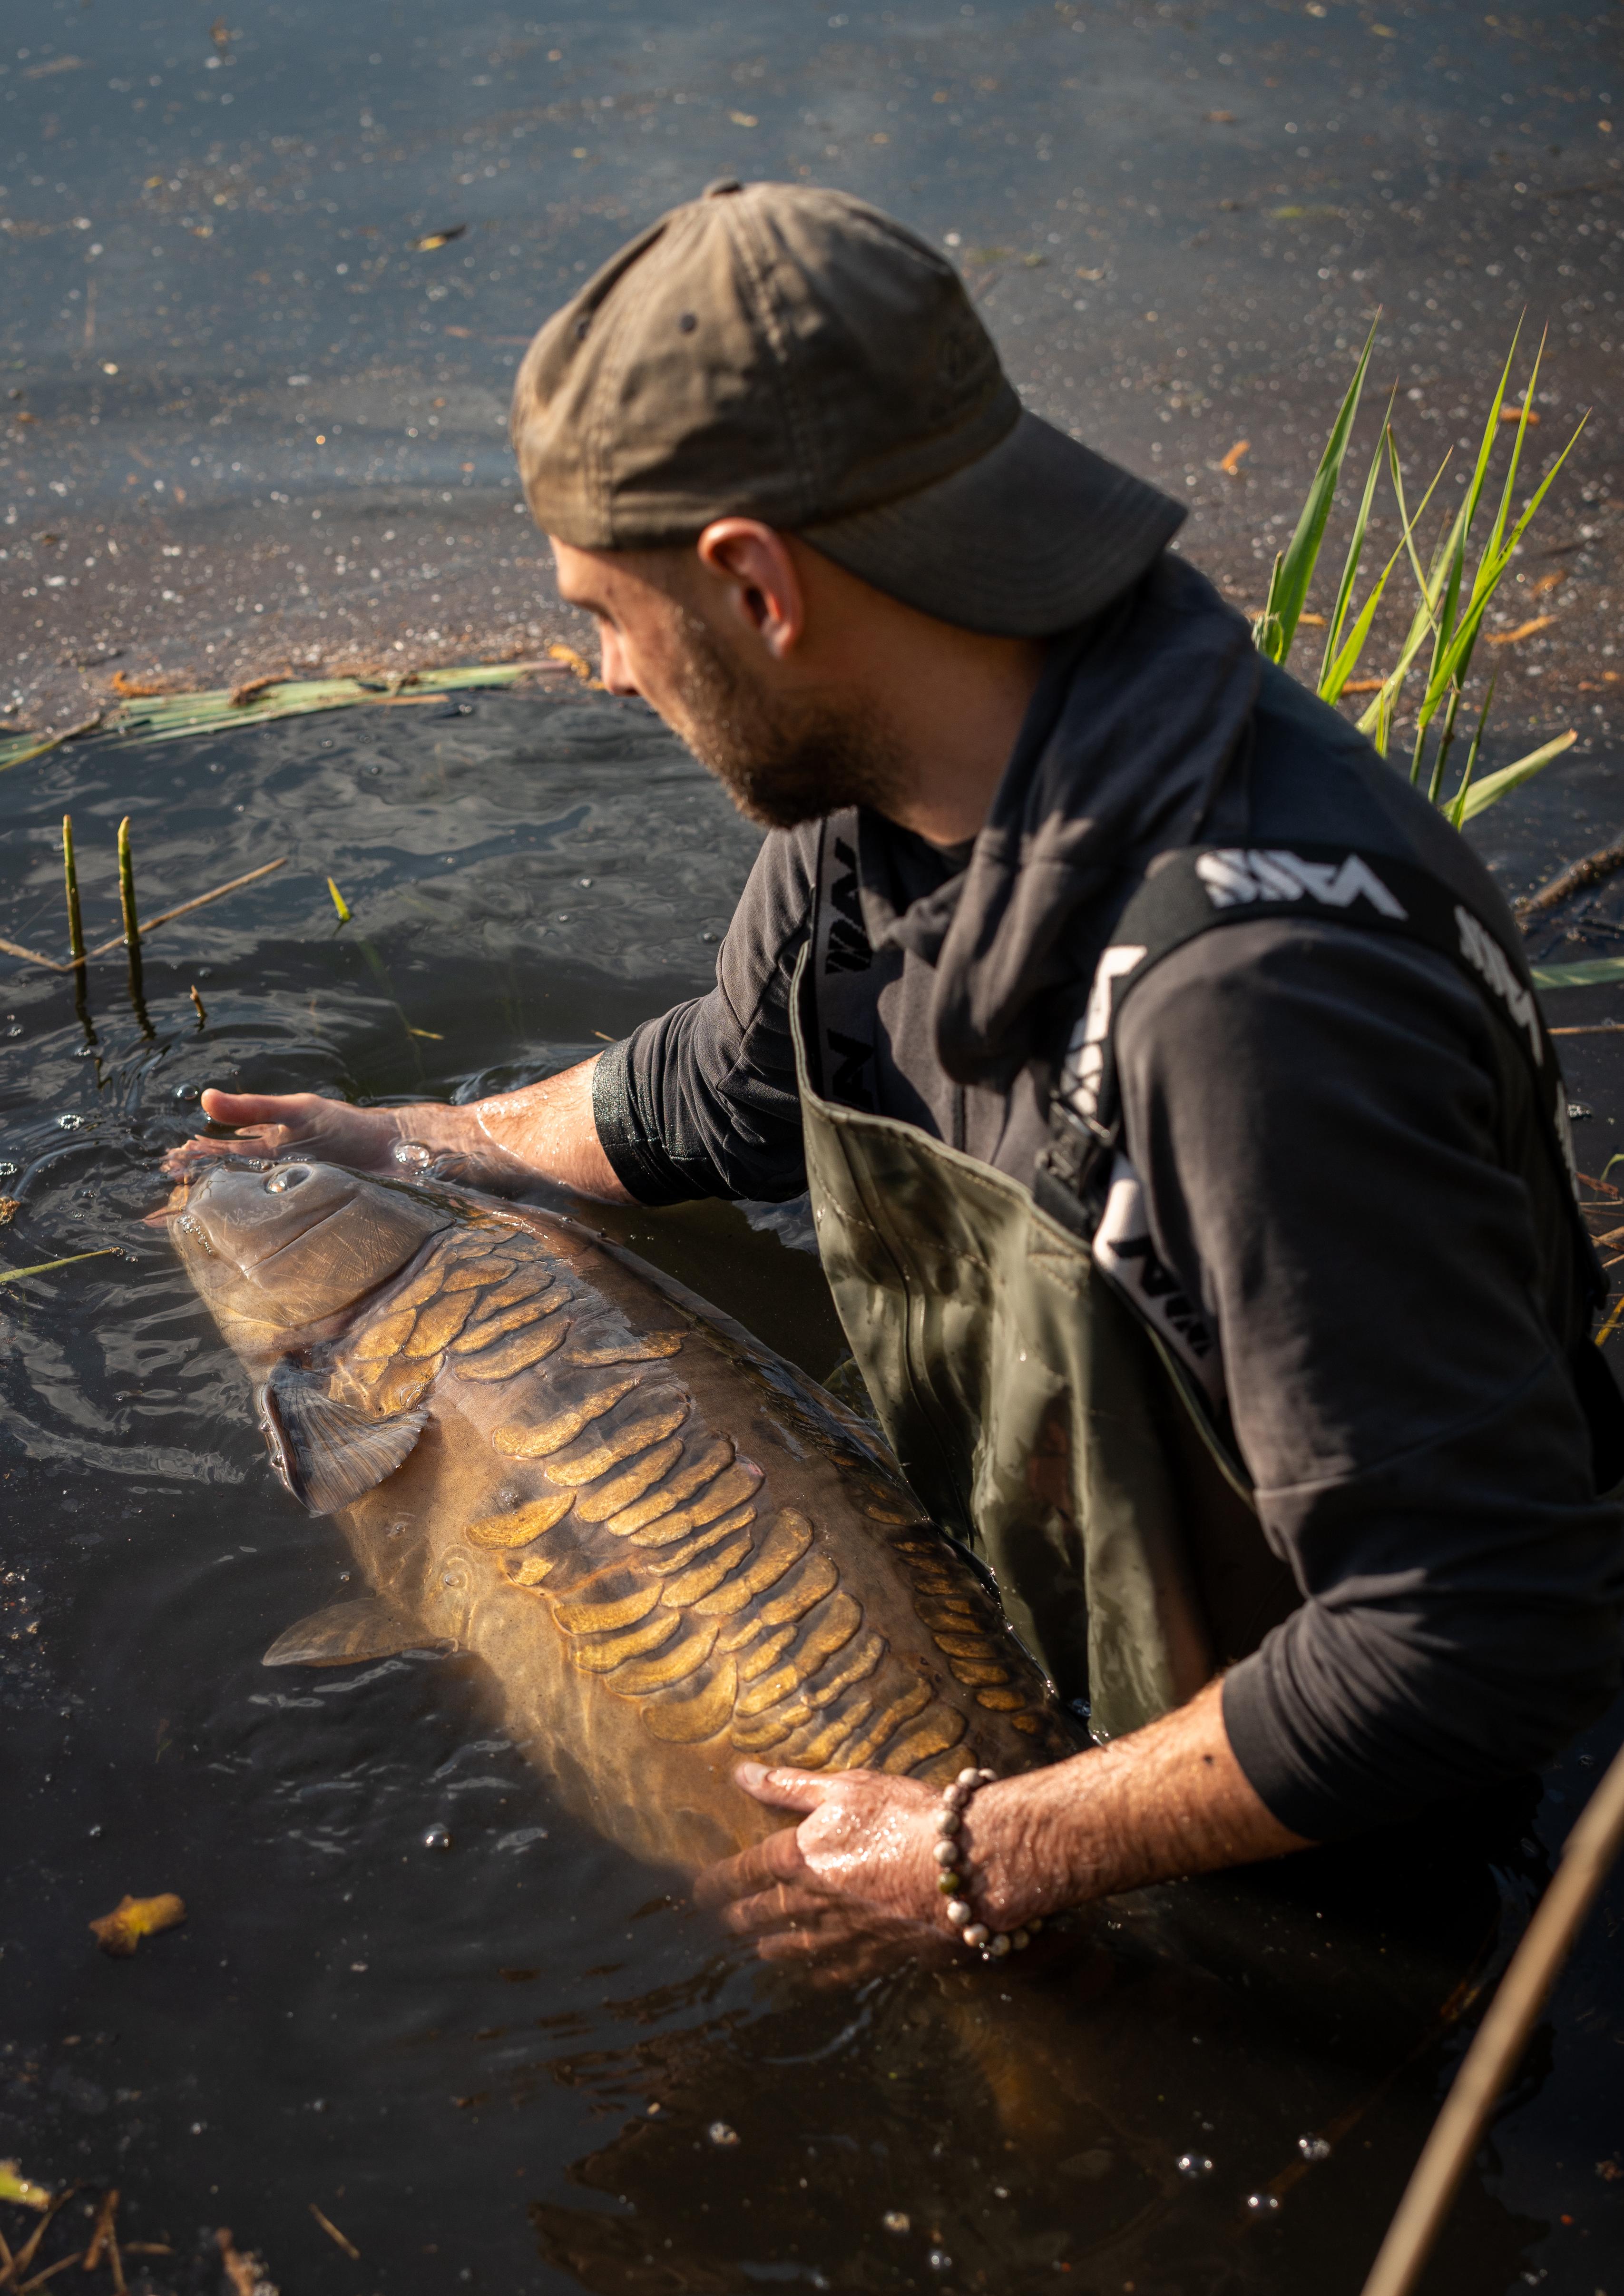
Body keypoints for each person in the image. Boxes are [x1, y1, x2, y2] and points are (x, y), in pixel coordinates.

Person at [169, 181, 1624, 1968]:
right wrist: (413, 1149)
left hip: (1326, 1857)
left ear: (756, 584)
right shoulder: (884, 819)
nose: (602, 673)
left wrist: (982, 1848)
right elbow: (716, 1092)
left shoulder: (1252, 1007)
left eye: (604, 613)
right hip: (1040, 1698)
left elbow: (1477, 1636)